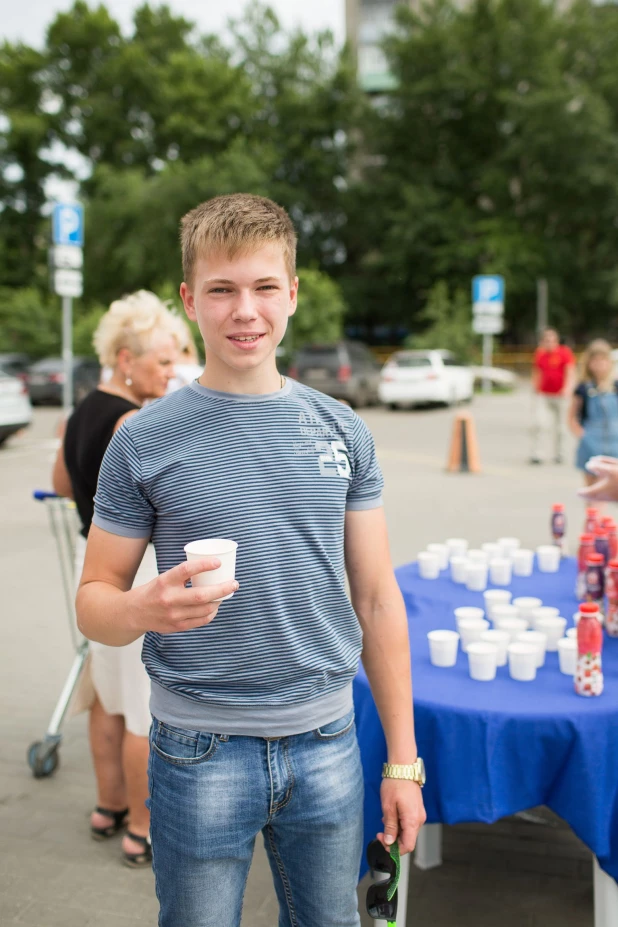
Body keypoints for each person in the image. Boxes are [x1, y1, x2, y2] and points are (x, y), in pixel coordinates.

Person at [76, 193, 426, 926]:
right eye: (222, 289)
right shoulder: (142, 440)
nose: (246, 310)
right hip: (197, 750)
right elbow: (94, 601)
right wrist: (143, 608)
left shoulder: (342, 430)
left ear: (292, 294)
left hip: (330, 743)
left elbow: (377, 601)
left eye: (265, 287)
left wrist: (402, 761)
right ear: (190, 299)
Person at [52, 290, 179, 867]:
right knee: (141, 708)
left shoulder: (83, 410)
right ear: (126, 359)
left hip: (93, 569)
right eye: (163, 361)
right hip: (132, 574)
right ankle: (141, 828)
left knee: (106, 700)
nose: (171, 371)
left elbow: (60, 482)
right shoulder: (133, 420)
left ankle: (107, 806)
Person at [568, 339, 618, 491]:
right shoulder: (583, 388)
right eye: (595, 360)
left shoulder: (615, 387)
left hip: (614, 441)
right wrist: (582, 435)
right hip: (591, 442)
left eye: (603, 360)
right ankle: (594, 515)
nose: (599, 365)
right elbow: (571, 415)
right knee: (594, 489)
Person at [530, 327, 576, 464]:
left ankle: (560, 454)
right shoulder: (540, 354)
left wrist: (567, 388)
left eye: (551, 340)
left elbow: (571, 372)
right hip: (544, 394)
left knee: (561, 427)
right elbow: (536, 371)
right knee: (540, 424)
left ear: (556, 340)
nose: (549, 343)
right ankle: (538, 454)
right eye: (546, 340)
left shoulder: (564, 353)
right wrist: (535, 387)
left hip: (561, 395)